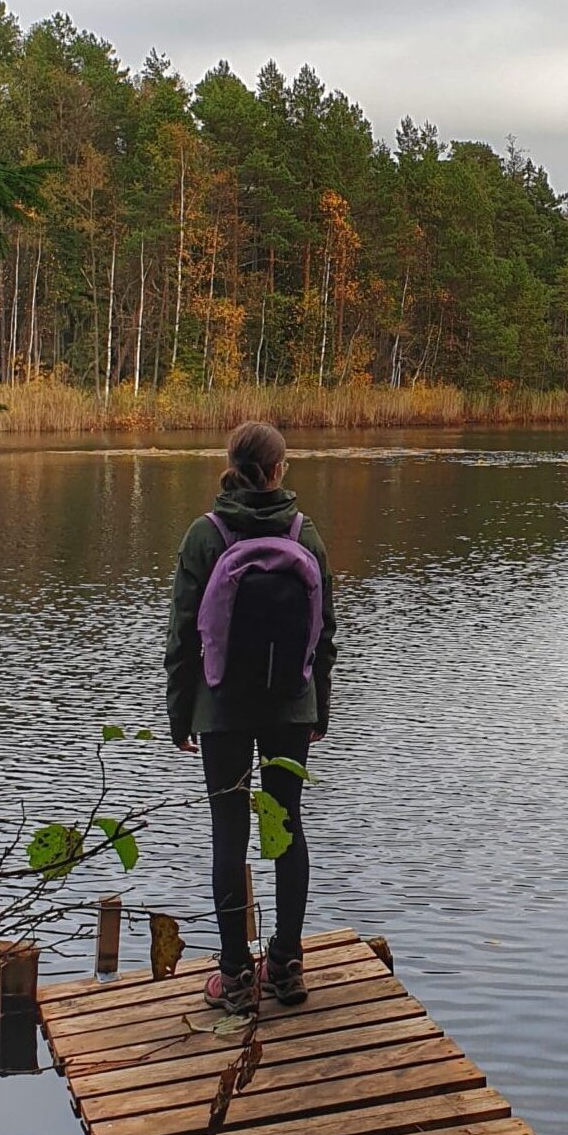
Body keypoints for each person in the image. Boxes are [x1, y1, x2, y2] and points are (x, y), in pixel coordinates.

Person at [164, 421, 338, 1015]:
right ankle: (286, 966)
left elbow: (183, 635)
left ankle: (237, 977)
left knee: (229, 835)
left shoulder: (204, 535)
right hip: (292, 704)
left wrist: (179, 713)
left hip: (221, 708)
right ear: (279, 469)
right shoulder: (303, 532)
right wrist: (321, 706)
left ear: (230, 464)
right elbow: (327, 634)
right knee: (284, 826)